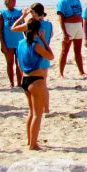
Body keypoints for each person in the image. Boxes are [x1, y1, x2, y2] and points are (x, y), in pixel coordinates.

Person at [15, 19, 54, 150]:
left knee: (31, 112)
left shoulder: (20, 44)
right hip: (36, 79)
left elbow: (19, 63)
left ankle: (29, 140)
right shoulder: (36, 44)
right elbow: (50, 56)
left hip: (25, 79)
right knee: (37, 114)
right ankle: (33, 144)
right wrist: (43, 40)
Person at [12, 4, 53, 115]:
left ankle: (41, 109)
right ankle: (47, 108)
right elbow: (51, 36)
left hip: (35, 54)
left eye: (31, 13)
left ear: (35, 13)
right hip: (45, 53)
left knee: (38, 84)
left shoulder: (33, 25)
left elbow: (13, 28)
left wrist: (22, 17)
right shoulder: (49, 24)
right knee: (44, 84)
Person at [56, 0, 86, 78]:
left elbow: (80, 15)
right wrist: (65, 33)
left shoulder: (76, 0)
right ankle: (61, 73)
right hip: (68, 27)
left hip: (78, 26)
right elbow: (61, 18)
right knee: (65, 51)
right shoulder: (62, 2)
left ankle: (81, 71)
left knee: (78, 51)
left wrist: (81, 25)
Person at [0, 0, 24, 88]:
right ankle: (11, 83)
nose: (14, 1)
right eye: (12, 0)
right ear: (7, 1)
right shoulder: (3, 14)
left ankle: (19, 83)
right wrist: (2, 44)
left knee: (19, 63)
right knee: (9, 63)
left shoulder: (19, 12)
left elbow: (24, 27)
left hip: (19, 41)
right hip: (8, 42)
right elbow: (0, 31)